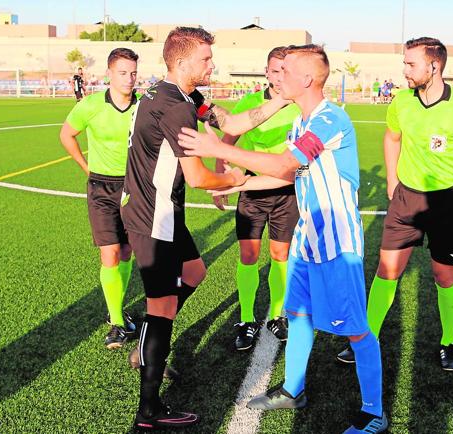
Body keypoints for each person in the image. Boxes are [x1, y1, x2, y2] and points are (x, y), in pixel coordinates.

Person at [178, 44, 387, 434]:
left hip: (337, 244)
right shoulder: (301, 123)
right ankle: (293, 389)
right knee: (298, 315)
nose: (278, 77)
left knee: (356, 328)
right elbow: (287, 176)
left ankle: (374, 412)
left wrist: (219, 150)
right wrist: (236, 184)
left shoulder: (329, 120)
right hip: (308, 239)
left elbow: (283, 164)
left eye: (285, 70)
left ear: (306, 79)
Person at [120, 27, 290, 430]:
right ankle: (149, 410)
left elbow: (235, 120)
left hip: (163, 211)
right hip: (151, 216)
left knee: (195, 272)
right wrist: (237, 179)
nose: (213, 65)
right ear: (181, 62)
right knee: (160, 308)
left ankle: (148, 343)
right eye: (206, 60)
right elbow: (197, 177)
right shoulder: (173, 107)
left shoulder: (183, 96)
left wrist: (284, 98)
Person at [336, 37, 453, 372]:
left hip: (445, 202)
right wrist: (391, 178)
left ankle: (449, 341)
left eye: (410, 63)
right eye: (404, 62)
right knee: (386, 271)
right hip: (405, 198)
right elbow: (391, 137)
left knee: (444, 276)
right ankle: (365, 337)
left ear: (434, 66)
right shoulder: (402, 102)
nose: (404, 70)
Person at [216, 46, 301, 351]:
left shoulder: (301, 105)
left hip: (288, 191)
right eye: (275, 70)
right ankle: (247, 319)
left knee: (280, 256)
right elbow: (228, 137)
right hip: (252, 190)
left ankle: (278, 316)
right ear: (266, 72)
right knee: (249, 256)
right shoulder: (250, 103)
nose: (281, 77)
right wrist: (221, 175)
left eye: (286, 70)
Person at [60, 48, 140, 349]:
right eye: (123, 72)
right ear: (109, 74)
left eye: (133, 72)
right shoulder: (91, 105)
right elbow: (66, 135)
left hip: (134, 188)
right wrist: (86, 167)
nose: (129, 79)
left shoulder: (142, 107)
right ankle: (118, 324)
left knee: (127, 252)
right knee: (110, 254)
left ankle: (117, 306)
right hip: (101, 189)